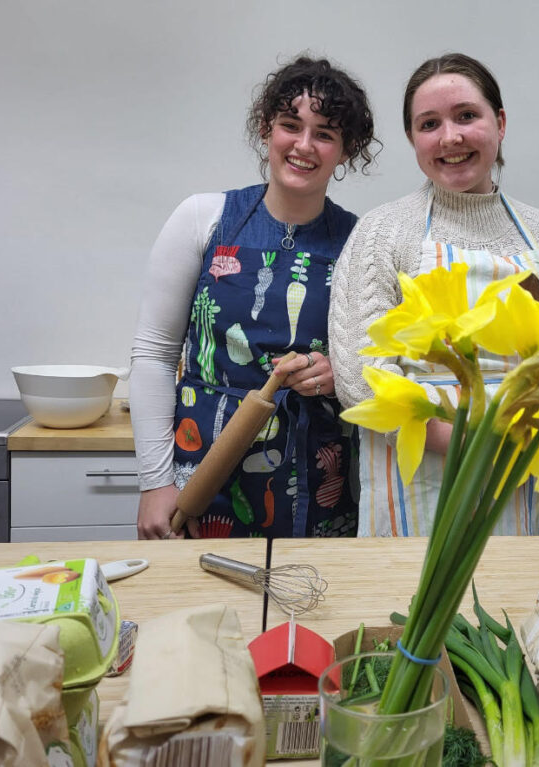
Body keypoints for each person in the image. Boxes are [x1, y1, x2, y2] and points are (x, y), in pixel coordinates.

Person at [329, 53, 539, 537]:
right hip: (419, 476)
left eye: (467, 115)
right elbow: (361, 382)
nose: (451, 137)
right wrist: (474, 441)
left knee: (521, 608)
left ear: (499, 123)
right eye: (429, 124)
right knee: (421, 607)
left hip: (524, 473)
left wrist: (529, 435)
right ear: (412, 139)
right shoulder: (382, 233)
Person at [131, 55, 377, 539]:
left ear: (345, 150)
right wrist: (154, 482)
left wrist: (344, 374)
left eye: (325, 133)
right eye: (291, 125)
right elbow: (155, 355)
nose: (304, 145)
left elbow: (382, 364)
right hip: (203, 473)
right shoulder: (204, 218)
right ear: (267, 128)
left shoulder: (362, 240)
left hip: (319, 479)